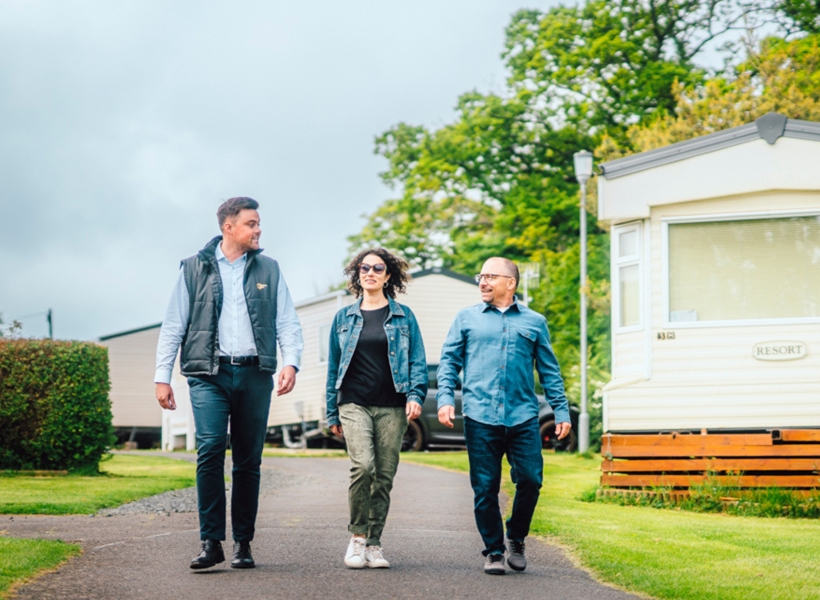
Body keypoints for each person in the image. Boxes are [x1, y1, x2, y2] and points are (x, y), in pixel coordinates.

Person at [154, 196, 303, 570]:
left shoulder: (269, 268)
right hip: (208, 374)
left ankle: (243, 543)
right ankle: (211, 542)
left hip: (255, 374)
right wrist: (162, 377)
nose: (258, 229)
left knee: (248, 461)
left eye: (258, 223)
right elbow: (174, 325)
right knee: (209, 452)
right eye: (251, 223)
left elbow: (286, 320)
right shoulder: (193, 269)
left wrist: (292, 363)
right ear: (229, 227)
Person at [436, 257, 571, 575]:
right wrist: (444, 398)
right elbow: (449, 361)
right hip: (480, 416)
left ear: (510, 283)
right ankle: (494, 551)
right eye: (480, 276)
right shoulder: (466, 318)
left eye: (490, 276)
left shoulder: (534, 322)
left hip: (523, 416)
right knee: (485, 487)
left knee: (530, 480)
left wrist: (561, 410)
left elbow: (549, 371)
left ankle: (517, 536)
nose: (482, 282)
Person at [325, 248, 427, 569]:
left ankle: (374, 543)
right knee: (363, 467)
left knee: (383, 476)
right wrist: (331, 411)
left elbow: (417, 361)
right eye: (364, 267)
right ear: (357, 274)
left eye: (377, 268)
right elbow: (332, 368)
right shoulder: (343, 318)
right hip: (353, 402)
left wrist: (415, 395)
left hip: (392, 405)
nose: (370, 272)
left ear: (388, 275)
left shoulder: (404, 316)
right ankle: (357, 538)